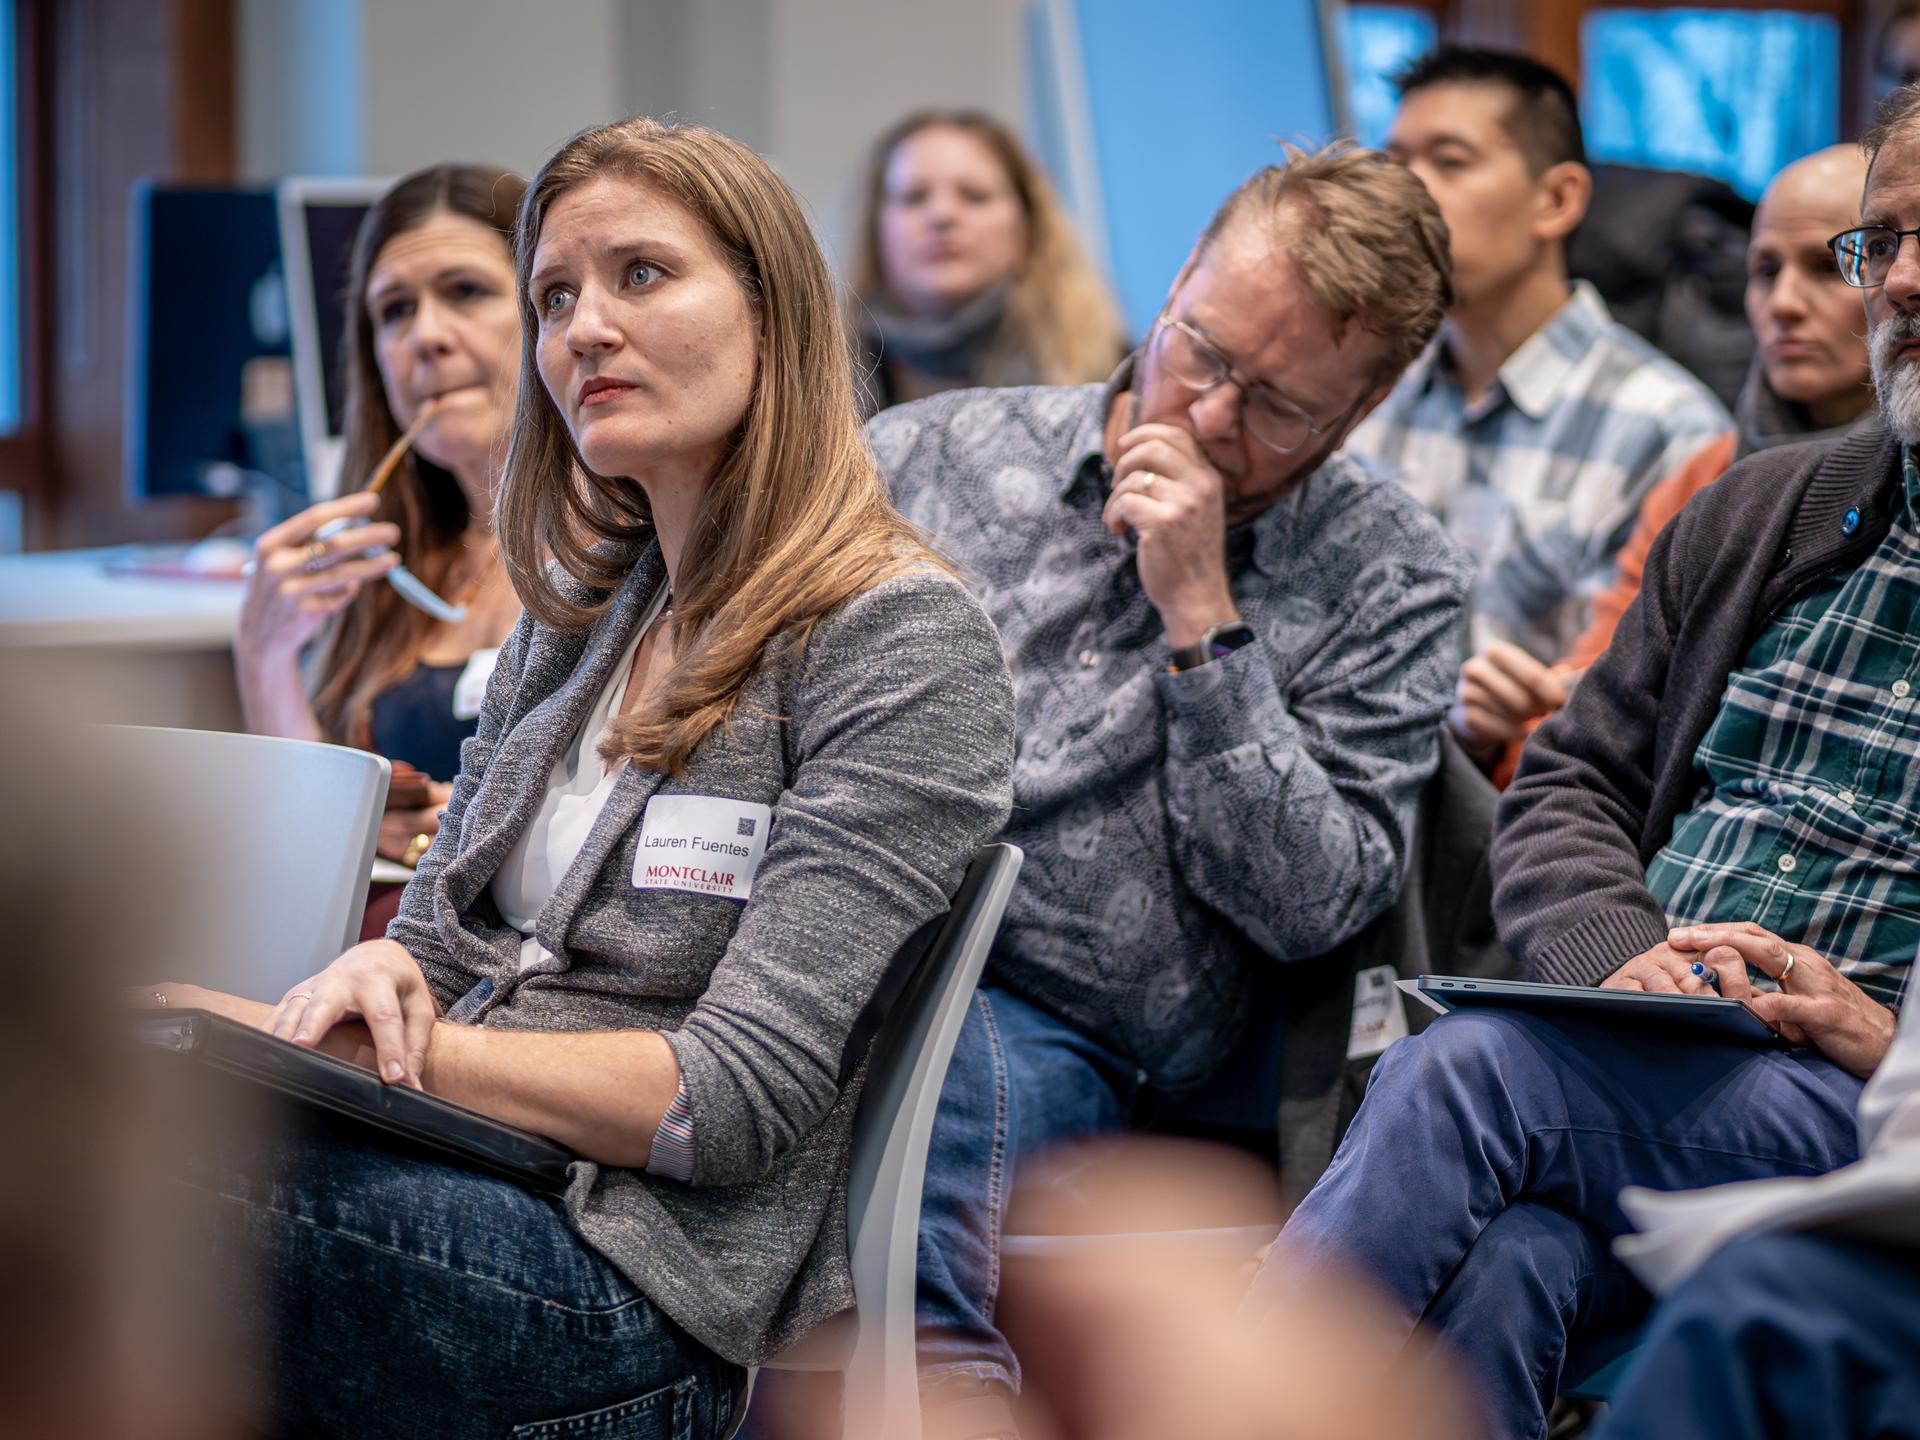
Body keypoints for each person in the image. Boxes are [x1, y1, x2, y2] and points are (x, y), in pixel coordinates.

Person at [148, 117, 1016, 1437]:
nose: (582, 331)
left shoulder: (895, 635)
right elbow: (433, 944)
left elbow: (730, 1102)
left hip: (630, 1285)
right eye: (556, 294)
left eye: (642, 276)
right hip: (456, 1175)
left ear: (774, 316)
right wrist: (380, 984)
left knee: (121, 1188)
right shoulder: (581, 615)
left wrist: (409, 1054)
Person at [1252, 85, 1920, 1440]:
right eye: (1883, 242)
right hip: (1656, 1040)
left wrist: (1892, 1040)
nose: (1899, 282)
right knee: (1513, 1265)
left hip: (1867, 1096)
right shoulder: (1770, 509)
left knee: (1471, 1070)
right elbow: (1569, 779)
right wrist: (1622, 957)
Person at [870, 140, 1473, 1439]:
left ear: (1360, 414)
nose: (1207, 418)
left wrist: (1204, 617)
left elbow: (1312, 906)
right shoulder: (927, 457)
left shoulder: (1392, 580)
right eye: (1201, 352)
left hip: (1074, 1018)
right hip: (834, 932)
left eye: (1278, 410)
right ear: (1179, 279)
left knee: (933, 1131)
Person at [1454, 143, 1879, 784]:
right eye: (1764, 270)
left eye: (1829, 266)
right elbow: (1584, 700)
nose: (1784, 303)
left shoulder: (1682, 429)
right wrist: (1498, 727)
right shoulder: (1708, 474)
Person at [1344, 48, 1728, 672]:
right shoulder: (1366, 389)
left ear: (1556, 199)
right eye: (1395, 162)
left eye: (1449, 162)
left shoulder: (1667, 429)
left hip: (1521, 765)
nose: (1403, 193)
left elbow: (1634, 697)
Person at [235, 164, 526, 871]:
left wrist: (475, 827)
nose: (426, 335)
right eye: (394, 310)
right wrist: (264, 657)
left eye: (466, 292)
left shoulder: (633, 555)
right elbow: (302, 856)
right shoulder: (384, 567)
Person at [1589, 999, 1920, 1439]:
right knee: (1517, 1254)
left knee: (1486, 1056)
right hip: (1660, 1023)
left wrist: (1887, 1035)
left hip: (1848, 1082)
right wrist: (1629, 963)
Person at [849, 109, 1128, 415]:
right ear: (874, 230)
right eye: (914, 197)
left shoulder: (1116, 380)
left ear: (1029, 227)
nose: (942, 215)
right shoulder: (816, 382)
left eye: (975, 196)